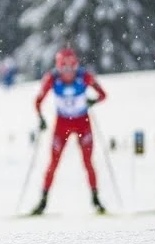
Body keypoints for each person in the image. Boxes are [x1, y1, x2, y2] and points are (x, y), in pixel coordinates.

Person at [29, 47, 108, 216]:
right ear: (58, 66)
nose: (67, 72)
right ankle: (43, 202)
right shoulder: (52, 78)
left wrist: (92, 101)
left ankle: (96, 200)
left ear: (76, 65)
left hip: (82, 123)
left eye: (71, 67)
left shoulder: (84, 76)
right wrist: (41, 118)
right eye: (63, 67)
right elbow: (37, 101)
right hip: (62, 125)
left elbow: (103, 95)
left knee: (88, 162)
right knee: (53, 163)